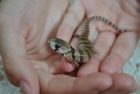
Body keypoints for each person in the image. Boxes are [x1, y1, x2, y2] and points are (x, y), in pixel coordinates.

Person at [0, 0, 139, 94]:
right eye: (55, 45)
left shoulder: (70, 55)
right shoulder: (69, 54)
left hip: (84, 48)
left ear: (62, 49)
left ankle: (97, 25)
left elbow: (75, 60)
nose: (52, 46)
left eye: (55, 46)